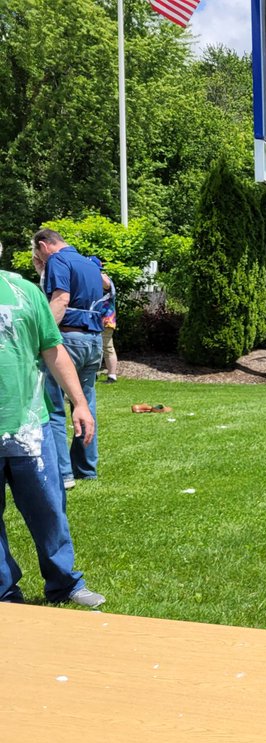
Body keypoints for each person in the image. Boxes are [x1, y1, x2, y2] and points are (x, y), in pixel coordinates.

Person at [0, 244, 107, 608]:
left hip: (31, 424)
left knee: (49, 509)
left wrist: (79, 402)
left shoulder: (24, 291)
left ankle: (65, 584)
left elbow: (53, 347)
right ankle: (4, 593)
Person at [31, 229, 105, 490]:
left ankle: (63, 474)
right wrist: (43, 272)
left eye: (37, 252)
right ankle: (86, 468)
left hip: (69, 339)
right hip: (93, 341)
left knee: (53, 407)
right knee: (84, 403)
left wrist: (41, 338)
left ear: (44, 245)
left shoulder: (58, 261)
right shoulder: (89, 263)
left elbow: (61, 300)